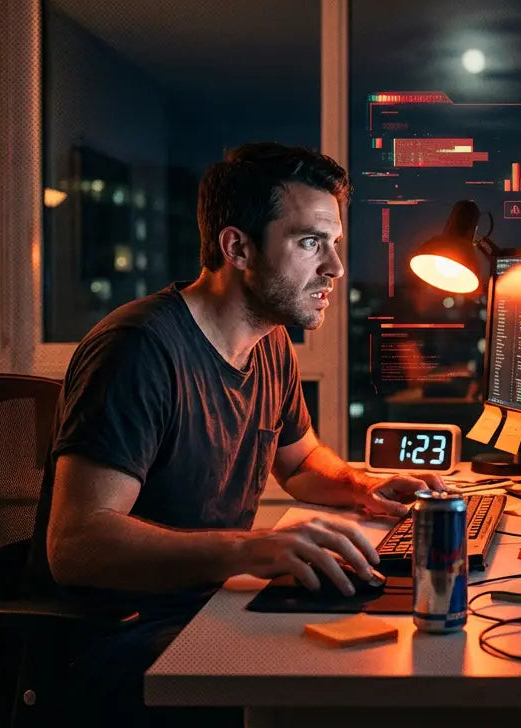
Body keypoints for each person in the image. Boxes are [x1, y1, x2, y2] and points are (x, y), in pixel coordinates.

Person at [46, 142, 444, 727]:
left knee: (386, 657)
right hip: (119, 640)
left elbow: (302, 463)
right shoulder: (139, 349)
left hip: (205, 606)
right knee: (344, 694)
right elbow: (77, 545)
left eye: (333, 244)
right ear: (237, 246)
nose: (334, 267)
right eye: (311, 242)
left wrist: (363, 486)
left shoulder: (269, 341)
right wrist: (250, 549)